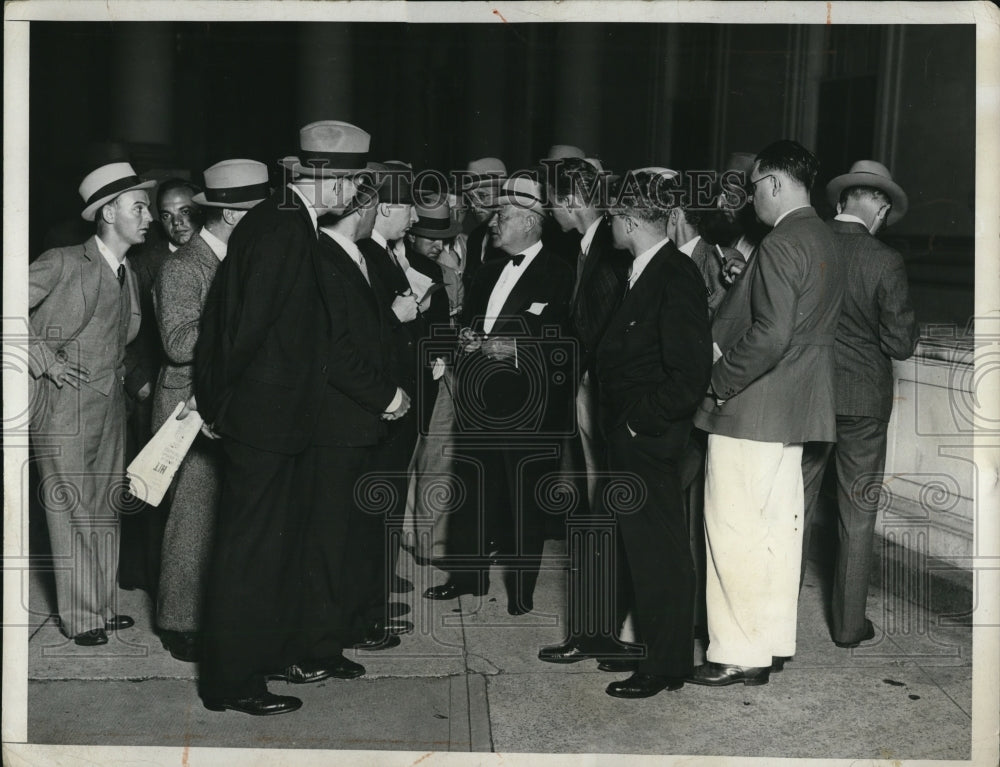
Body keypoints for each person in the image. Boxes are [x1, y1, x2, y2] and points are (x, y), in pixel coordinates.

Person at [195, 120, 407, 715]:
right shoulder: (286, 229)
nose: (352, 191)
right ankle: (231, 682)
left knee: (263, 550)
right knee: (249, 552)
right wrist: (219, 402)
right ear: (318, 177)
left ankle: (251, 665)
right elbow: (242, 330)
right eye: (347, 180)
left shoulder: (280, 222)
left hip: (274, 418)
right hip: (264, 421)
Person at [689, 140, 844, 687]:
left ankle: (735, 652)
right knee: (779, 531)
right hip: (797, 409)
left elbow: (772, 334)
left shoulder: (780, 242)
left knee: (733, 532)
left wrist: (719, 380)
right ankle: (770, 644)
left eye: (753, 186)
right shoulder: (823, 236)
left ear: (775, 183)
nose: (750, 198)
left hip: (753, 407)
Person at [425, 176, 574, 616]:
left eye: (503, 216)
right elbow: (472, 324)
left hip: (526, 406)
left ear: (530, 222)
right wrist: (469, 338)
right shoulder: (488, 270)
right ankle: (467, 577)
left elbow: (558, 341)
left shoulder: (558, 272)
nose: (493, 223)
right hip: (478, 399)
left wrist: (504, 347)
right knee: (471, 489)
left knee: (522, 497)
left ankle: (522, 590)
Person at [591, 168, 713, 698]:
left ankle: (664, 667)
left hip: (647, 438)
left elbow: (689, 373)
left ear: (627, 220)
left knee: (658, 552)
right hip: (631, 436)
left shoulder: (674, 275)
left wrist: (641, 423)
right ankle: (660, 658)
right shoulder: (643, 270)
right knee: (645, 548)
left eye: (613, 217)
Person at [151, 159, 270, 663]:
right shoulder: (184, 266)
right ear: (235, 216)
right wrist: (244, 326)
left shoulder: (234, 259)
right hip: (187, 407)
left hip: (224, 404)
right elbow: (178, 344)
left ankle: (209, 612)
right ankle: (179, 623)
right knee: (192, 517)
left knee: (220, 515)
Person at [29, 161, 150, 645]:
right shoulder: (61, 261)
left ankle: (99, 605)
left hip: (110, 407)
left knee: (103, 510)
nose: (148, 217)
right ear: (107, 213)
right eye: (138, 207)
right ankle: (80, 617)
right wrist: (46, 360)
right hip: (63, 409)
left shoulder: (129, 273)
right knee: (71, 511)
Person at [800, 160, 919, 648]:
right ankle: (849, 626)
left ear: (842, 200)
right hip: (864, 403)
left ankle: (771, 624)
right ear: (880, 206)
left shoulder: (806, 245)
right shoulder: (884, 259)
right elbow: (900, 342)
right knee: (857, 513)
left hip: (808, 394)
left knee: (795, 507)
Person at [537, 156, 633, 666]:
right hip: (588, 390)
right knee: (594, 509)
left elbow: (595, 332)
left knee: (601, 511)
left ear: (573, 201)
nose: (550, 212)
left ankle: (597, 629)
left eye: (553, 201)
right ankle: (596, 627)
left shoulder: (608, 249)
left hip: (601, 393)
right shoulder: (589, 246)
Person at [118, 177, 204, 595]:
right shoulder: (143, 262)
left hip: (192, 394)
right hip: (152, 391)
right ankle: (148, 579)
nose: (177, 223)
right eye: (167, 215)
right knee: (150, 490)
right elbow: (121, 332)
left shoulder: (211, 258)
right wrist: (140, 385)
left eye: (185, 212)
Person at [402, 198, 464, 563]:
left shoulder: (440, 266)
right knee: (427, 457)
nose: (438, 244)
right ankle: (422, 540)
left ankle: (421, 540)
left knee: (428, 456)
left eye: (443, 238)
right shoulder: (411, 267)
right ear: (411, 233)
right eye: (429, 237)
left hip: (436, 371)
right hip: (425, 371)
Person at [458, 157, 507, 293]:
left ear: (502, 194)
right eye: (471, 198)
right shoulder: (475, 237)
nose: (474, 205)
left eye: (482, 195)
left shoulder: (512, 238)